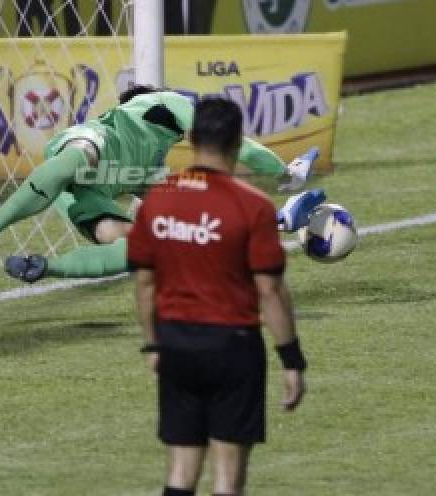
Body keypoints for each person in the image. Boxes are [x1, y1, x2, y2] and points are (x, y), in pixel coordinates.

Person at [0, 84, 323, 293]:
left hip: (81, 194)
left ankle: (44, 267)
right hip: (91, 143)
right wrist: (281, 170)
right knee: (77, 159)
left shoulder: (147, 173)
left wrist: (278, 219)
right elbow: (232, 141)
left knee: (141, 245)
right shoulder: (160, 102)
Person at [127, 97, 307, 496]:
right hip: (233, 347)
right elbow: (269, 289)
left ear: (190, 139)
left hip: (176, 343)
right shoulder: (253, 206)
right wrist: (291, 360)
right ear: (238, 142)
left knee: (180, 472)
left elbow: (145, 282)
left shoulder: (157, 200)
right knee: (227, 479)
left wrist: (154, 344)